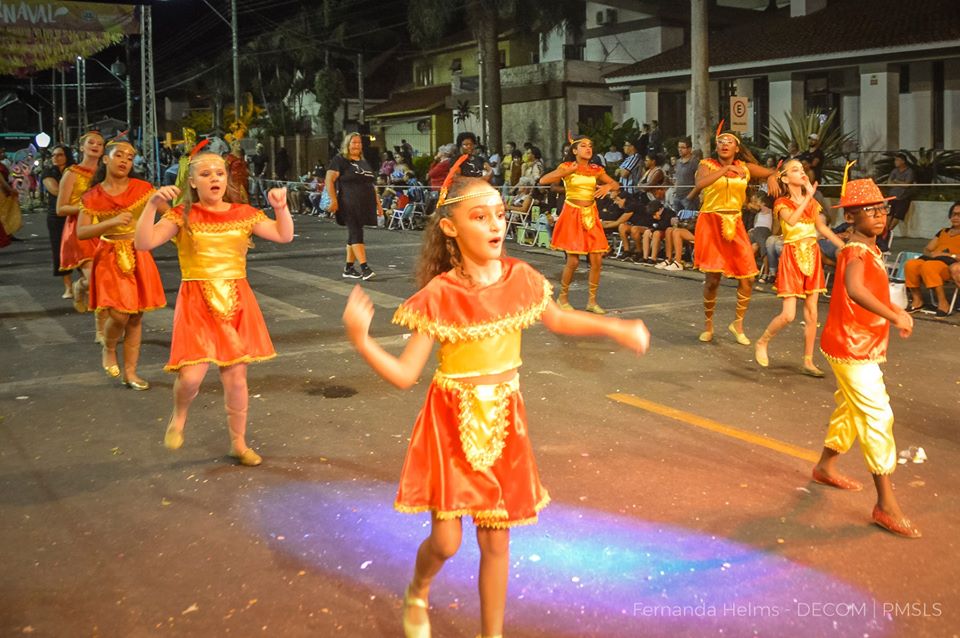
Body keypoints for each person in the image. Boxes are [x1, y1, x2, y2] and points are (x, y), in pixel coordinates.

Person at [341, 164, 650, 638]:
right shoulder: (439, 294)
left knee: (497, 543)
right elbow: (405, 375)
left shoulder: (521, 277)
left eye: (500, 215)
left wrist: (616, 327)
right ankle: (418, 591)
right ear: (450, 228)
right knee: (446, 542)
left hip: (505, 421)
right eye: (480, 217)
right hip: (450, 422)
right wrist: (362, 341)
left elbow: (560, 320)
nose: (496, 225)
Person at [135, 150, 294, 467]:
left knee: (236, 379)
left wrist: (281, 207)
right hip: (196, 301)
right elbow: (143, 243)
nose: (214, 179)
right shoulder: (181, 215)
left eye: (219, 173)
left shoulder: (243, 213)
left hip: (236, 301)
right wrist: (151, 206)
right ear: (192, 182)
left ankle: (239, 443)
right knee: (191, 378)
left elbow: (283, 234)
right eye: (206, 174)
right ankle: (179, 415)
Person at [812, 175, 919, 539]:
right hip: (852, 347)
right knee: (877, 414)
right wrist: (895, 315)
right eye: (868, 211)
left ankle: (825, 466)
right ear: (851, 217)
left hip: (855, 344)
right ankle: (885, 504)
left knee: (850, 408)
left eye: (881, 209)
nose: (878, 215)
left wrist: (894, 311)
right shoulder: (856, 250)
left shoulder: (867, 247)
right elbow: (855, 289)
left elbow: (870, 291)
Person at [77, 139, 167, 390]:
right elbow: (82, 232)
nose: (125, 160)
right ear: (106, 159)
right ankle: (109, 346)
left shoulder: (143, 188)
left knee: (135, 317)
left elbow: (170, 214)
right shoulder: (92, 196)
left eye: (129, 157)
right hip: (109, 256)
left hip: (138, 253)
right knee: (119, 313)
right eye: (119, 155)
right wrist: (111, 222)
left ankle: (131, 373)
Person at [688, 122, 780, 344]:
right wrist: (724, 170)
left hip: (735, 222)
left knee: (748, 277)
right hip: (711, 222)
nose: (724, 145)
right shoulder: (707, 164)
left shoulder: (745, 168)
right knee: (712, 279)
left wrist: (771, 177)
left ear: (737, 148)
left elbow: (775, 172)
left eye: (729, 142)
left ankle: (737, 324)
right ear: (716, 146)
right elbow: (700, 184)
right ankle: (708, 325)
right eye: (721, 141)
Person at [754, 160, 844, 377]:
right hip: (792, 256)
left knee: (812, 312)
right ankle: (762, 341)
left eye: (802, 170)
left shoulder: (811, 202)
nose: (801, 173)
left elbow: (821, 228)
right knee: (788, 315)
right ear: (785, 178)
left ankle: (808, 361)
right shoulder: (781, 202)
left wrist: (844, 246)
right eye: (795, 170)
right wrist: (809, 197)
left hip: (812, 255)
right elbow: (792, 221)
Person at [540, 135, 619, 313]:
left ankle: (592, 301)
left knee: (597, 259)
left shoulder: (596, 169)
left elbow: (615, 184)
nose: (588, 148)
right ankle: (562, 298)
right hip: (572, 214)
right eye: (583, 146)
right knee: (573, 261)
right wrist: (565, 172)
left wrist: (608, 187)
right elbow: (544, 181)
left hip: (591, 214)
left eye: (590, 145)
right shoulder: (567, 166)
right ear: (574, 150)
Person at [58, 131, 106, 337]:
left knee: (105, 279)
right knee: (97, 279)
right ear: (81, 147)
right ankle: (101, 331)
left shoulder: (106, 172)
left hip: (104, 229)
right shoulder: (72, 173)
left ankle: (80, 286)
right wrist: (86, 208)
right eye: (91, 143)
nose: (95, 146)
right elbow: (61, 208)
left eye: (100, 144)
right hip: (80, 230)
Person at [325, 132, 384, 280]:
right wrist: (333, 200)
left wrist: (378, 204)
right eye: (354, 142)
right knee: (356, 231)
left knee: (354, 233)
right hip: (348, 202)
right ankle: (365, 268)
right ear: (347, 144)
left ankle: (349, 268)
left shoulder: (363, 162)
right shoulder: (340, 160)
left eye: (359, 143)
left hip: (364, 204)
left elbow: (371, 185)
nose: (357, 145)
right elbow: (329, 180)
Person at [903, 201, 960, 317]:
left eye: (959, 215)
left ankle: (943, 303)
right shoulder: (943, 232)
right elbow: (927, 249)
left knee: (928, 266)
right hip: (934, 260)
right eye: (953, 214)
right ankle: (917, 300)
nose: (955, 217)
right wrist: (932, 254)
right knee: (911, 264)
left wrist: (948, 255)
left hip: (951, 265)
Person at [42, 145, 75, 298]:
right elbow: (55, 190)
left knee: (82, 248)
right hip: (57, 216)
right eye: (53, 155)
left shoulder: (75, 170)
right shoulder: (49, 172)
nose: (55, 158)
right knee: (60, 251)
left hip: (75, 213)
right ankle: (68, 286)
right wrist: (76, 190)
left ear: (67, 156)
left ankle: (85, 282)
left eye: (60, 155)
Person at [886, 152, 915, 233]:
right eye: (895, 160)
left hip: (903, 197)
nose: (895, 162)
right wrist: (900, 183)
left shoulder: (909, 171)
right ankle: (885, 232)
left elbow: (907, 185)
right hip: (892, 196)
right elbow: (889, 183)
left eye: (897, 160)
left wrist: (896, 181)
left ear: (903, 161)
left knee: (898, 216)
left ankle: (889, 232)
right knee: (889, 215)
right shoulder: (894, 171)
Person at [672, 137, 699, 212]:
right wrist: (674, 192)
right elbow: (677, 179)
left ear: (689, 149)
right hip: (677, 197)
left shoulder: (695, 162)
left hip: (689, 199)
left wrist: (689, 198)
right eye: (679, 147)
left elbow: (699, 183)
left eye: (683, 147)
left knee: (689, 218)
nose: (680, 149)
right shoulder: (678, 162)